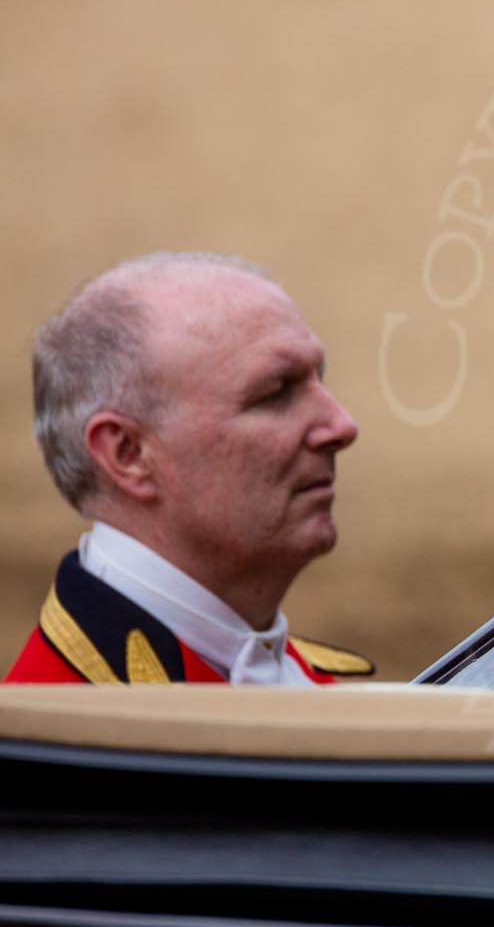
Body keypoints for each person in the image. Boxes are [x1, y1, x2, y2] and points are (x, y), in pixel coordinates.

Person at [5, 253, 371, 685]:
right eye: (275, 393)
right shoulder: (58, 740)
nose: (341, 427)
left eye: (318, 381)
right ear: (129, 455)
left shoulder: (291, 676)